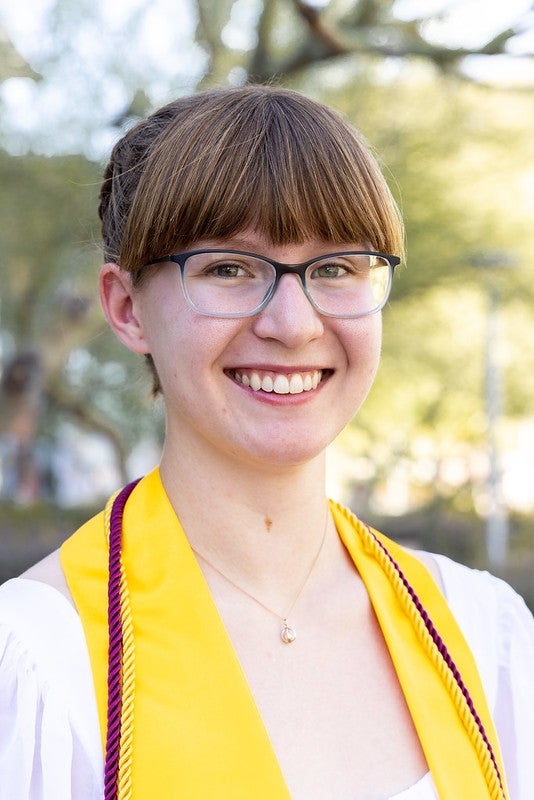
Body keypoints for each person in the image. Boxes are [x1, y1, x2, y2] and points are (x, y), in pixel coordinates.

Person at [0, 85, 532, 800]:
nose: (294, 323)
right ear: (127, 310)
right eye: (229, 267)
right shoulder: (39, 663)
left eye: (337, 267)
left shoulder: (481, 637)